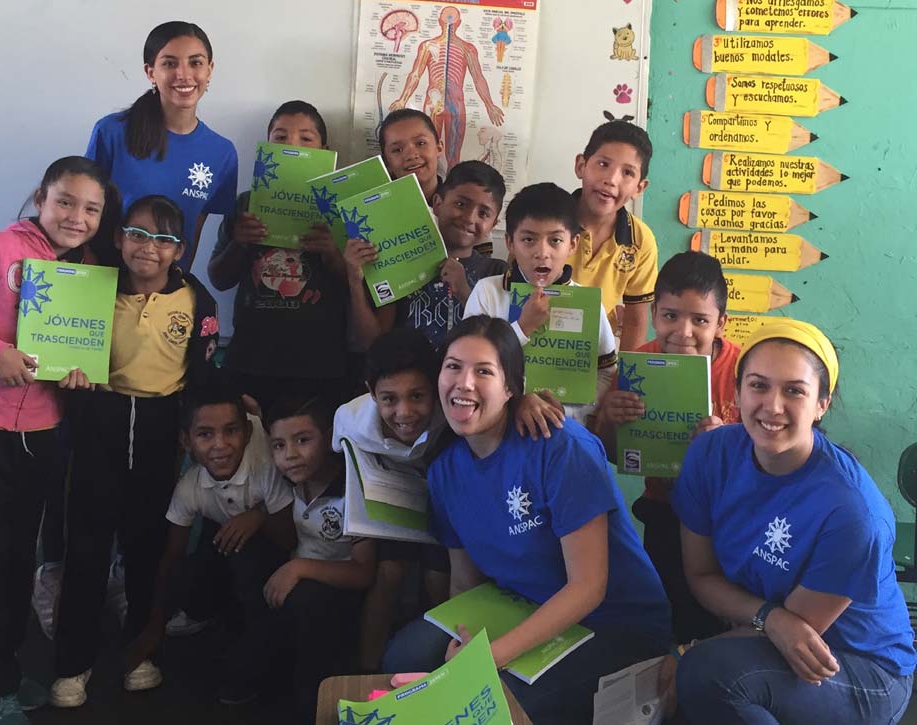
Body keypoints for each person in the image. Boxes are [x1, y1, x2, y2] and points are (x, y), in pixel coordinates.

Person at [383, 316, 671, 725]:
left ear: (511, 388)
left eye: (484, 371)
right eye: (453, 367)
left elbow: (588, 587)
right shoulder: (445, 472)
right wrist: (465, 641)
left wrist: (488, 657)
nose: (464, 383)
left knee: (496, 700)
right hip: (521, 607)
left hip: (613, 623)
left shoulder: (560, 446)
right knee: (405, 656)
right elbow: (466, 584)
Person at [0, 156, 119, 725]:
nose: (77, 217)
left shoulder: (85, 272)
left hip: (41, 431)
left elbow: (71, 352)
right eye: (65, 202)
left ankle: (2, 670)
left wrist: (79, 374)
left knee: (15, 562)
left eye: (91, 209)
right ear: (40, 198)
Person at [664, 319, 915, 724]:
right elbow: (702, 575)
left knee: (707, 673)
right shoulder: (710, 455)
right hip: (771, 636)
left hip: (859, 666)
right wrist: (770, 616)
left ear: (821, 404)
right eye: (758, 385)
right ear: (737, 391)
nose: (773, 406)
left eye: (794, 391)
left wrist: (688, 653)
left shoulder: (852, 513)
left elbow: (799, 635)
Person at [50, 195, 220, 708]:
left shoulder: (196, 299)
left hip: (160, 425)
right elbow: (57, 347)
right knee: (86, 545)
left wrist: (197, 426)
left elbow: (202, 373)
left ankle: (139, 653)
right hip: (98, 420)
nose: (149, 247)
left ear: (180, 250)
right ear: (119, 238)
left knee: (149, 544)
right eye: (138, 234)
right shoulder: (89, 287)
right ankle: (72, 664)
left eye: (164, 239)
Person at [597, 250, 738, 642]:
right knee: (666, 615)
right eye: (671, 316)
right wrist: (610, 417)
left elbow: (763, 461)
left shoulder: (743, 372)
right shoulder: (637, 366)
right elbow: (614, 455)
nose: (683, 332)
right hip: (664, 512)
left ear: (721, 323)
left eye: (700, 320)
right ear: (654, 313)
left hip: (728, 518)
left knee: (716, 622)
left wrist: (723, 446)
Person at [124, 382, 295, 705]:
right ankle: (218, 616)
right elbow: (172, 556)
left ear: (247, 432)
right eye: (205, 435)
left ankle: (261, 652)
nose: (220, 445)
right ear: (186, 441)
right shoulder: (189, 488)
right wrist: (154, 627)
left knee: (246, 562)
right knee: (193, 572)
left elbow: (289, 538)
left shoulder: (265, 467)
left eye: (231, 431)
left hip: (278, 555)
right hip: (228, 543)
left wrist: (257, 517)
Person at [208, 100, 349, 416]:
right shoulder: (246, 204)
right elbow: (218, 279)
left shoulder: (343, 208)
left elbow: (362, 288)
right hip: (251, 360)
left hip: (319, 366)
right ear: (267, 146)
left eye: (306, 139)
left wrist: (332, 253)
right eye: (281, 137)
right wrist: (240, 243)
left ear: (325, 151)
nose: (292, 146)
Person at [332, 329, 448, 672]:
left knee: (438, 577)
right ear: (371, 393)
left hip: (443, 500)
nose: (404, 412)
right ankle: (366, 674)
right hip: (392, 502)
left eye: (417, 396)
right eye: (389, 399)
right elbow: (341, 459)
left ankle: (448, 668)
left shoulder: (450, 411)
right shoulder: (350, 421)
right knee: (388, 573)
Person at [85, 20, 237, 265]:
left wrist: (180, 281)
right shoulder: (112, 132)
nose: (183, 74)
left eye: (195, 63)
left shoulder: (222, 153)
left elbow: (194, 230)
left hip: (168, 285)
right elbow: (85, 210)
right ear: (150, 72)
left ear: (209, 70)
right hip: (105, 277)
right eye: (169, 63)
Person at [464, 182, 618, 423]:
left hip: (562, 427)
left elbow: (605, 373)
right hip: (497, 425)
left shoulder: (587, 305)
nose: (542, 252)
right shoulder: (489, 292)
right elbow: (468, 363)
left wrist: (566, 412)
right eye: (528, 239)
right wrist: (522, 328)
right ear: (510, 243)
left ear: (573, 244)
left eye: (555, 240)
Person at [267, 396, 377, 725]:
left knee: (309, 607)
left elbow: (363, 572)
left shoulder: (352, 491)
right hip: (295, 581)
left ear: (329, 439)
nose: (290, 454)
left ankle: (312, 708)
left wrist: (299, 567)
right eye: (278, 445)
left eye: (303, 440)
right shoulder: (284, 484)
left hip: (337, 592)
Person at [345, 160, 507, 349]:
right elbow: (370, 343)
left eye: (483, 214)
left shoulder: (497, 273)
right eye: (460, 204)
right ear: (437, 204)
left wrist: (464, 293)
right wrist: (354, 280)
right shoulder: (400, 261)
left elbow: (503, 348)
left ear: (493, 224)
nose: (469, 218)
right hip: (405, 367)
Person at [569, 119, 657, 352]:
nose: (611, 179)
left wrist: (625, 371)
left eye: (627, 172)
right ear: (581, 166)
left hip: (595, 356)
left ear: (639, 187)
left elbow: (635, 320)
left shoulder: (640, 241)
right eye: (603, 164)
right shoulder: (544, 221)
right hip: (536, 349)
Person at [388, 6, 505, 171]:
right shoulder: (428, 46)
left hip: (456, 106)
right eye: (446, 18)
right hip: (432, 104)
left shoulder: (467, 48)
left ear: (458, 23)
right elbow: (415, 74)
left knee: (453, 155)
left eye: (452, 19)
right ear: (440, 21)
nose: (449, 23)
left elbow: (478, 78)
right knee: (427, 153)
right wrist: (402, 100)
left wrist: (489, 105)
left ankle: (450, 185)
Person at [378, 108, 445, 203]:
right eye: (397, 150)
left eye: (421, 143)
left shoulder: (459, 202)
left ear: (439, 148)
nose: (411, 155)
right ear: (386, 162)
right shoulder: (376, 207)